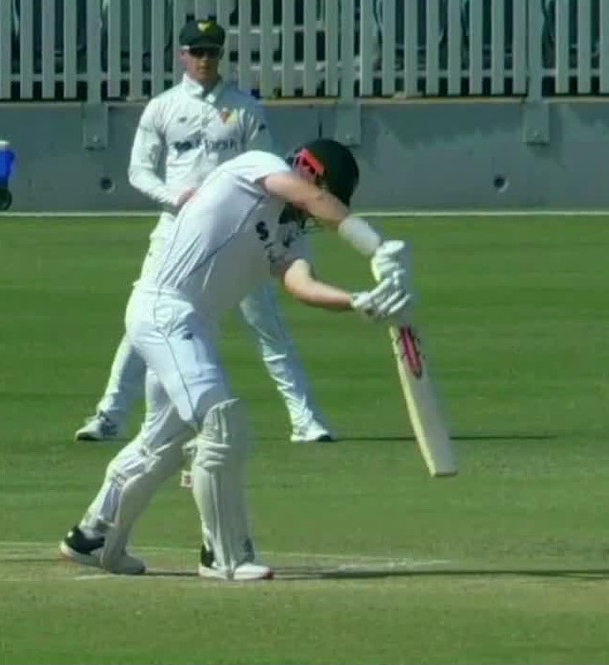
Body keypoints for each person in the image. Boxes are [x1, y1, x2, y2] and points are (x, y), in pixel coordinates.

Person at [59, 138, 414, 581]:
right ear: (310, 170)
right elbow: (314, 199)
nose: (316, 212)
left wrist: (358, 301)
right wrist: (376, 246)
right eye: (327, 193)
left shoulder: (290, 233)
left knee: (163, 443)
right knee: (221, 423)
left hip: (194, 328)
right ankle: (225, 555)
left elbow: (302, 284)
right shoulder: (258, 166)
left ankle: (93, 537)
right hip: (164, 310)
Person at [74, 16, 336, 445]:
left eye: (212, 52)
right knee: (147, 318)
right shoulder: (163, 107)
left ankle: (305, 420)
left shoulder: (245, 107)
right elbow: (139, 171)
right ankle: (110, 416)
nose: (205, 60)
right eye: (197, 52)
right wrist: (175, 197)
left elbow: (268, 168)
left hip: (241, 233)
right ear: (182, 55)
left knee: (268, 325)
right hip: (177, 231)